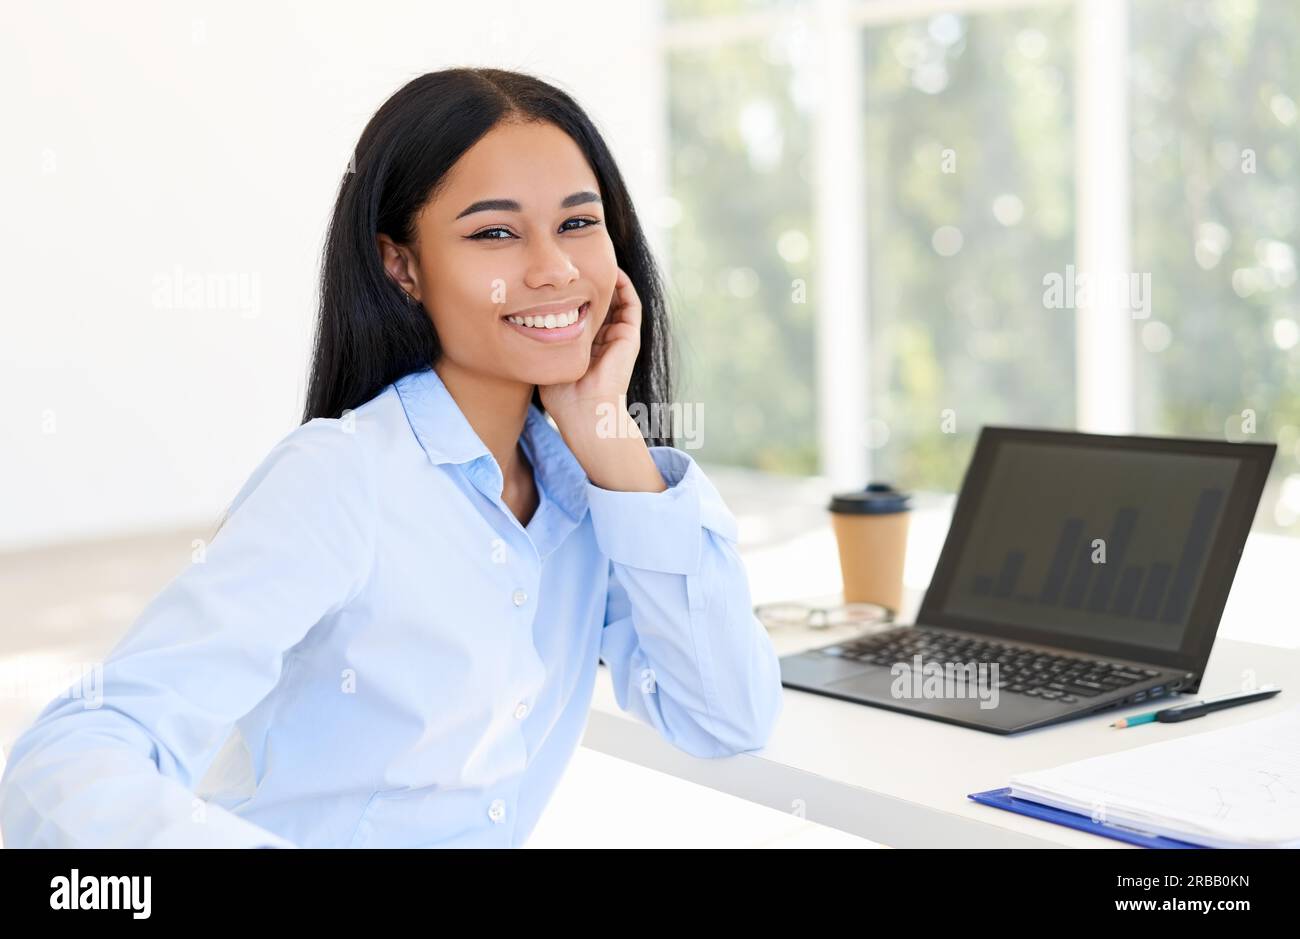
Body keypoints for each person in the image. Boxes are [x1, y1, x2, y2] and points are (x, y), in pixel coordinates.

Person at [0, 67, 783, 848]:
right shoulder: (342, 478)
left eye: (578, 223)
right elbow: (65, 762)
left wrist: (612, 443)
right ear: (400, 265)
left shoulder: (585, 490)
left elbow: (727, 714)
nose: (554, 269)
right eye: (495, 233)